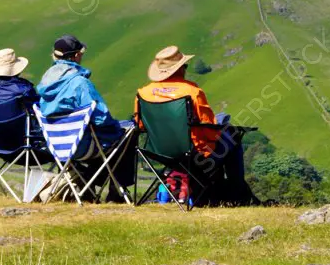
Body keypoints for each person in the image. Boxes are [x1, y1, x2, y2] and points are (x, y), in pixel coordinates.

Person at [135, 45, 257, 206]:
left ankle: (212, 193)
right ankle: (238, 193)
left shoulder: (143, 93)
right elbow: (208, 127)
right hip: (194, 155)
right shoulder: (192, 91)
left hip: (159, 154)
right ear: (180, 69)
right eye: (184, 66)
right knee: (233, 137)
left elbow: (140, 125)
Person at [37, 35, 135, 199]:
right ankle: (116, 193)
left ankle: (87, 185)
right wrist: (116, 127)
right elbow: (101, 119)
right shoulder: (80, 84)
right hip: (82, 146)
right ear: (75, 56)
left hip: (57, 145)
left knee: (99, 137)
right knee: (128, 132)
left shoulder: (45, 84)